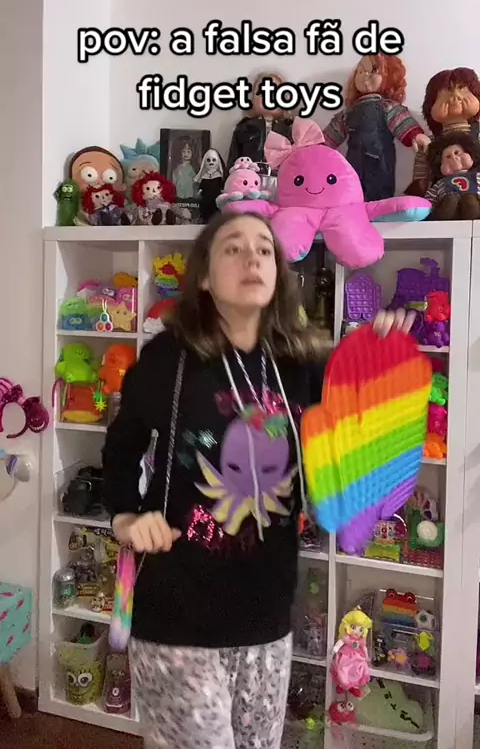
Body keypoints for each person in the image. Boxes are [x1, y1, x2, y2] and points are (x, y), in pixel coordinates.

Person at [102, 212, 412, 749]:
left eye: (265, 249)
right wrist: (126, 516)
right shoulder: (167, 359)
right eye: (233, 248)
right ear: (204, 276)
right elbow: (121, 447)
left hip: (267, 616)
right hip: (177, 616)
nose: (252, 258)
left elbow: (349, 443)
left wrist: (377, 355)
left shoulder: (303, 363)